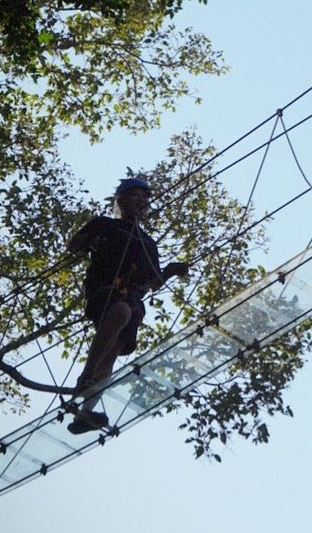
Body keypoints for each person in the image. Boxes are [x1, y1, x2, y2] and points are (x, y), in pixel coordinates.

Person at [67, 177, 189, 434]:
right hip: (104, 290)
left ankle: (85, 414)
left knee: (112, 351)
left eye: (145, 198)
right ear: (121, 200)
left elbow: (152, 283)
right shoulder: (105, 224)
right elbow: (73, 246)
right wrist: (89, 240)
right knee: (119, 311)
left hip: (132, 301)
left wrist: (170, 271)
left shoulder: (148, 243)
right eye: (135, 195)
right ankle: (86, 376)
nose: (141, 200)